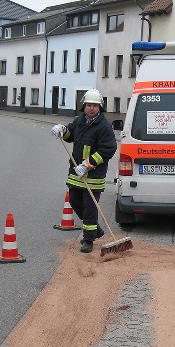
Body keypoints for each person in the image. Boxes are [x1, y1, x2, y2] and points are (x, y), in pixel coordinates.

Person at [50, 89, 117, 253]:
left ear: (100, 107)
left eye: (95, 105)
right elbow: (70, 135)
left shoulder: (104, 126)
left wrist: (88, 164)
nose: (91, 108)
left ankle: (88, 240)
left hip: (93, 175)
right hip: (76, 173)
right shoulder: (79, 121)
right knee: (74, 202)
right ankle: (96, 230)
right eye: (89, 105)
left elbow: (108, 149)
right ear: (84, 106)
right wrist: (62, 130)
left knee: (89, 207)